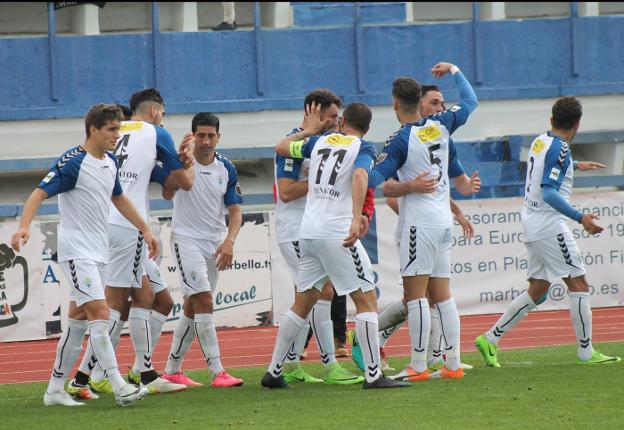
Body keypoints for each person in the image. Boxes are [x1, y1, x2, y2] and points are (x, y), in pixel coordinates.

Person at [11, 104, 155, 406]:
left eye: (118, 128)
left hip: (99, 251)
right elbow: (38, 193)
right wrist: (23, 227)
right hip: (76, 252)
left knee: (77, 321)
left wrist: (146, 229)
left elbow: (119, 198)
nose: (117, 135)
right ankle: (119, 386)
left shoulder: (110, 162)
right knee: (100, 314)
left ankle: (54, 389)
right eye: (112, 129)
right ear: (94, 130)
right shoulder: (73, 162)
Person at [262, 101, 410, 390]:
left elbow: (280, 146)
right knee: (367, 300)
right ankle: (373, 374)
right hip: (336, 233)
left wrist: (307, 131)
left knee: (303, 301)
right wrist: (356, 217)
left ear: (342, 122)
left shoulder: (317, 142)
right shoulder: (363, 148)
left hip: (309, 233)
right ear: (367, 129)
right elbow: (360, 175)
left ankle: (274, 371)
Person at [475, 96, 620, 367]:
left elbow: (546, 166)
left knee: (539, 289)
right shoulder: (561, 149)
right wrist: (581, 218)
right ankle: (586, 353)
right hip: (547, 224)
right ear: (578, 123)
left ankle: (489, 338)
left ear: (552, 119)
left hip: (532, 220)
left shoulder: (541, 140)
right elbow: (550, 191)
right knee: (579, 285)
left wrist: (575, 167)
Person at [350, 82, 480, 374]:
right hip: (443, 223)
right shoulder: (442, 124)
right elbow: (471, 101)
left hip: (419, 225)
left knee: (417, 297)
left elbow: (373, 182)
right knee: (443, 296)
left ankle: (418, 365)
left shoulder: (399, 139)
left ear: (394, 103)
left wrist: (356, 168)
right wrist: (454, 71)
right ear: (420, 101)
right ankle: (453, 364)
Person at [71, 89, 194, 396]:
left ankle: (144, 372)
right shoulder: (157, 132)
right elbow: (185, 183)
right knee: (114, 304)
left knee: (146, 295)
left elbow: (164, 184)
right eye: (163, 113)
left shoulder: (113, 132)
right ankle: (84, 378)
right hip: (128, 224)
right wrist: (187, 161)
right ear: (154, 111)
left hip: (100, 223)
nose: (164, 118)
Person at [274, 90, 364, 385]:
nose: (337, 123)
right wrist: (319, 183)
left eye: (338, 118)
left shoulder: (328, 144)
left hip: (314, 228)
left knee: (311, 297)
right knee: (321, 294)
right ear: (313, 112)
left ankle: (287, 367)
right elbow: (286, 191)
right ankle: (329, 367)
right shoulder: (297, 141)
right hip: (296, 229)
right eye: (331, 117)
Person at [153, 112, 245, 388]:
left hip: (214, 243)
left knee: (193, 307)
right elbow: (167, 194)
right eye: (201, 136)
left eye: (211, 136)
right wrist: (179, 167)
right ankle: (217, 371)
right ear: (193, 136)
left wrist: (229, 241)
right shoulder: (180, 162)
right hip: (186, 240)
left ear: (218, 137)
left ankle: (172, 370)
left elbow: (235, 210)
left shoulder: (226, 167)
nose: (206, 141)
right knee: (204, 301)